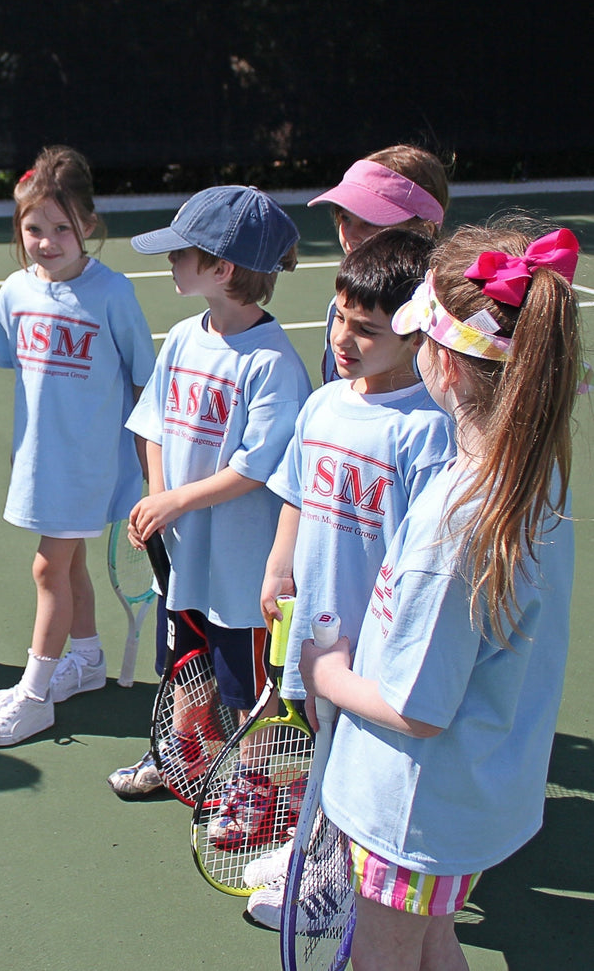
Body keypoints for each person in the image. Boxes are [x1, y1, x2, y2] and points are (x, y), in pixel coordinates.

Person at [301, 221, 580, 970]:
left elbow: (416, 709)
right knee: (432, 942)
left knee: (386, 957)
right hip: (466, 801)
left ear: (446, 369)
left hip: (413, 807)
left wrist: (326, 671)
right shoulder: (532, 478)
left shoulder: (458, 528)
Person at [228, 230, 456, 925]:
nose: (344, 338)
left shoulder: (428, 428)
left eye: (366, 328)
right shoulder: (324, 403)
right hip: (320, 622)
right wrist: (276, 566)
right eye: (338, 319)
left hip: (378, 635)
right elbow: (296, 493)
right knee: (323, 732)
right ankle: (312, 844)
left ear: (415, 333)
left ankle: (333, 884)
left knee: (361, 754)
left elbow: (423, 552)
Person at [109, 185, 311, 796]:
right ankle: (183, 758)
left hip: (240, 567)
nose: (169, 261)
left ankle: (251, 789)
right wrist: (158, 496)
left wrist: (173, 502)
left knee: (244, 683)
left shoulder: (273, 363)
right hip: (181, 551)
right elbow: (152, 426)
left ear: (222, 269)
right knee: (183, 662)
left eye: (181, 252)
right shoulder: (181, 337)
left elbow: (256, 469)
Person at [0, 147, 156, 747]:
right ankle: (87, 659)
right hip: (41, 458)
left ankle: (34, 695)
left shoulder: (113, 293)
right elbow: (13, 361)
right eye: (33, 229)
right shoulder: (13, 294)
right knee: (68, 563)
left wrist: (142, 465)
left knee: (47, 566)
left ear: (88, 228)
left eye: (61, 229)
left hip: (92, 461)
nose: (46, 242)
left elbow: (142, 380)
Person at [307, 145, 449, 383]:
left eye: (370, 222)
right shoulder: (343, 304)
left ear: (424, 228)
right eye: (346, 217)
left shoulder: (437, 319)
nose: (350, 233)